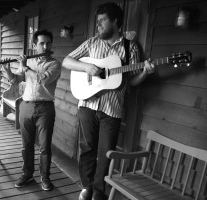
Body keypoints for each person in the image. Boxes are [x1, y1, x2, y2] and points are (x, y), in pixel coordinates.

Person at [62, 2, 155, 200]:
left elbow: (133, 81)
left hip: (112, 109)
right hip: (87, 104)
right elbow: (66, 61)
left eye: (102, 21)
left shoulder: (130, 48)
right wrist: (86, 68)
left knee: (106, 153)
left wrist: (145, 72)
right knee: (87, 149)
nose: (98, 25)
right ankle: (87, 187)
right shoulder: (91, 43)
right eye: (97, 21)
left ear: (115, 21)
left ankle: (98, 190)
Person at [2, 29, 61, 191]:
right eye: (41, 43)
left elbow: (43, 79)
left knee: (44, 146)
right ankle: (27, 173)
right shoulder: (29, 62)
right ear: (35, 45)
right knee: (26, 144)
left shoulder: (55, 64)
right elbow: (16, 80)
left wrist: (25, 67)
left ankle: (45, 177)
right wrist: (8, 70)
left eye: (48, 43)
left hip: (45, 108)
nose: (45, 46)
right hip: (26, 106)